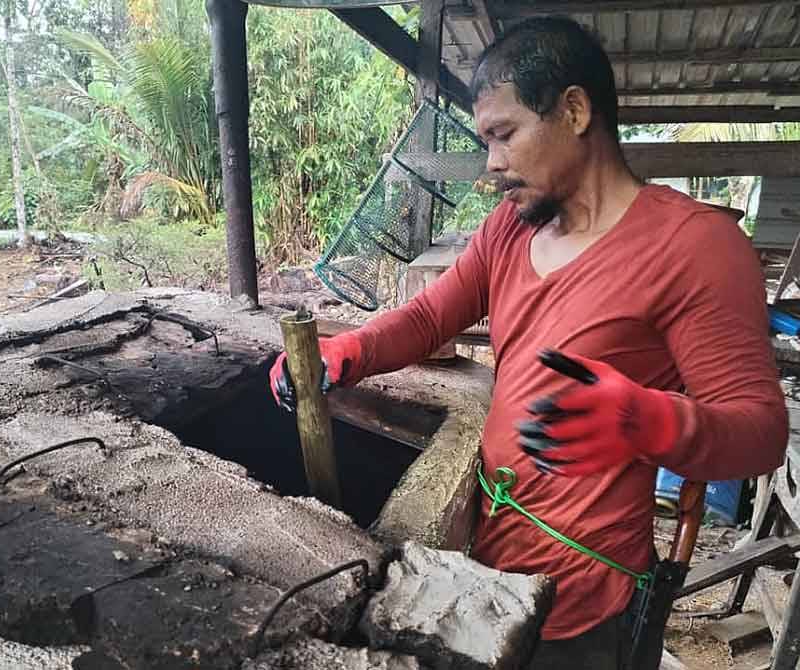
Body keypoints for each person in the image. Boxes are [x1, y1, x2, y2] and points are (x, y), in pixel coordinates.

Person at [268, 16, 788, 670]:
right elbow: (430, 318)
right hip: (488, 570)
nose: (491, 163)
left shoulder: (695, 248)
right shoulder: (508, 232)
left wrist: (645, 419)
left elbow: (760, 431)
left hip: (583, 599)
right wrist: (349, 353)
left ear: (574, 110)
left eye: (503, 134)